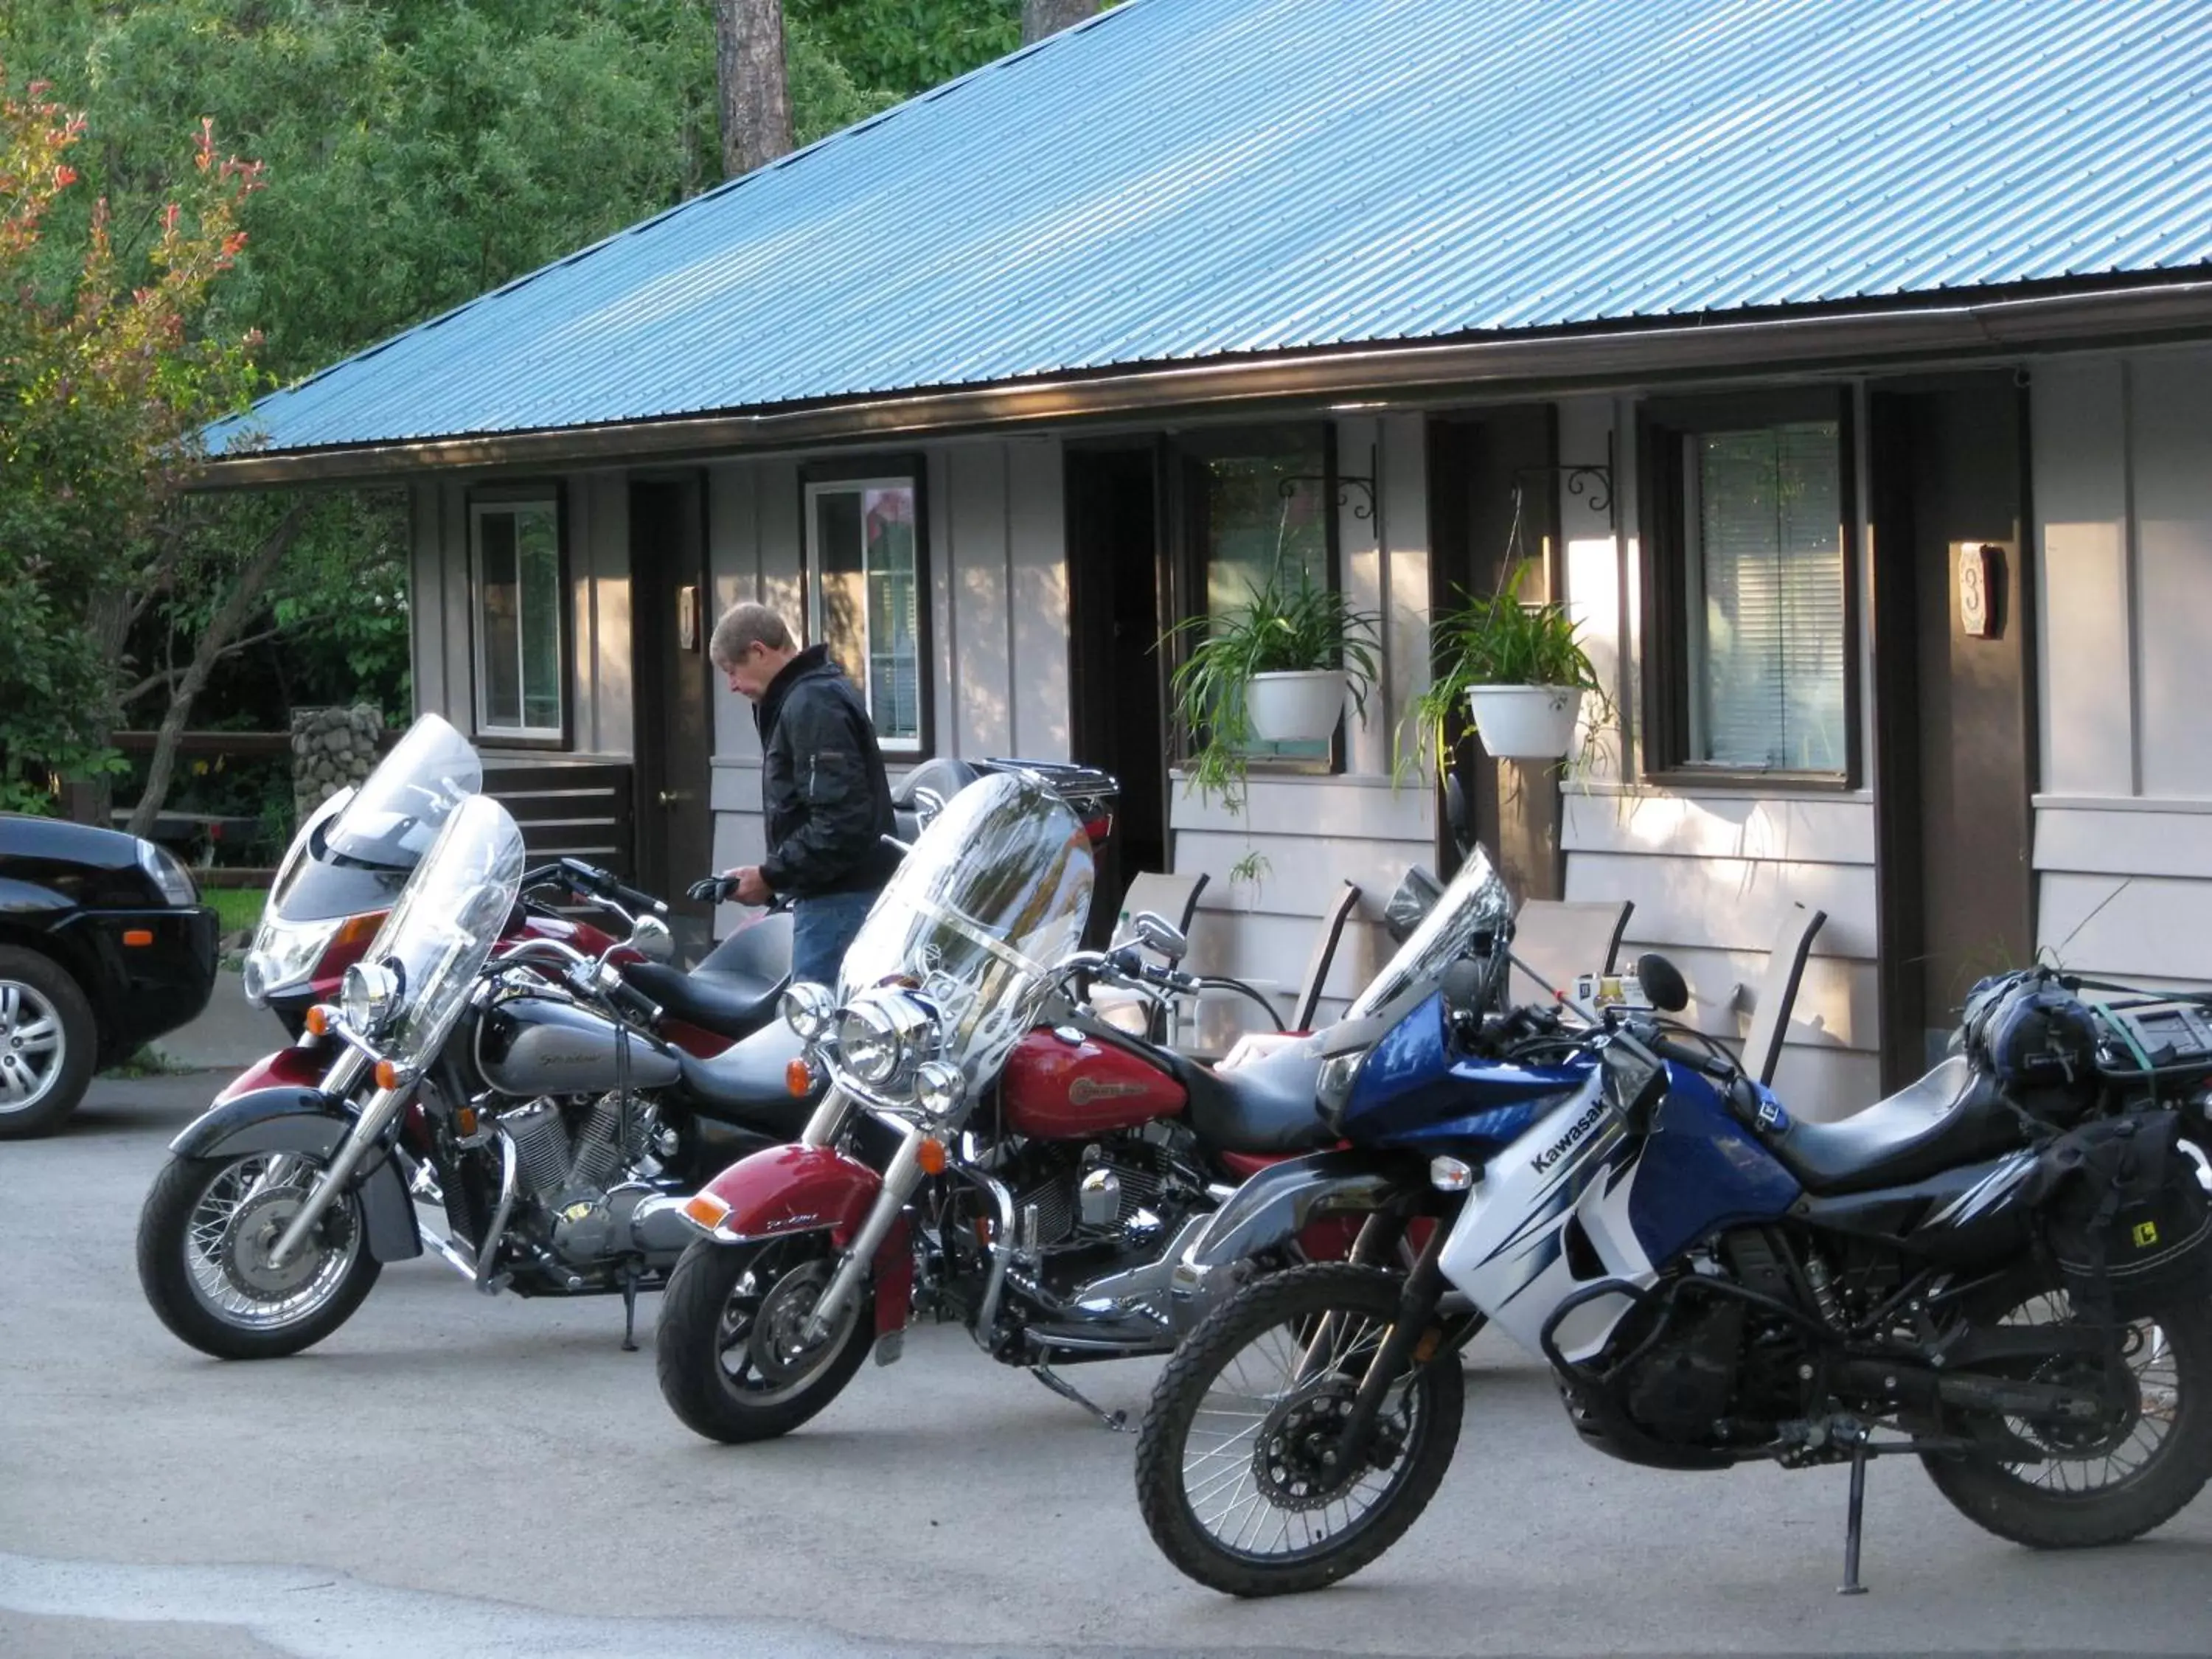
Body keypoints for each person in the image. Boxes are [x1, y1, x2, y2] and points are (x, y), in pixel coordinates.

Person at [707, 601, 900, 987]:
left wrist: (770, 875)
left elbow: (840, 823)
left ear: (759, 651)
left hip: (841, 905)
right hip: (832, 897)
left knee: (812, 1032)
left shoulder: (813, 705)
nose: (731, 686)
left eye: (732, 671)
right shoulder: (804, 697)